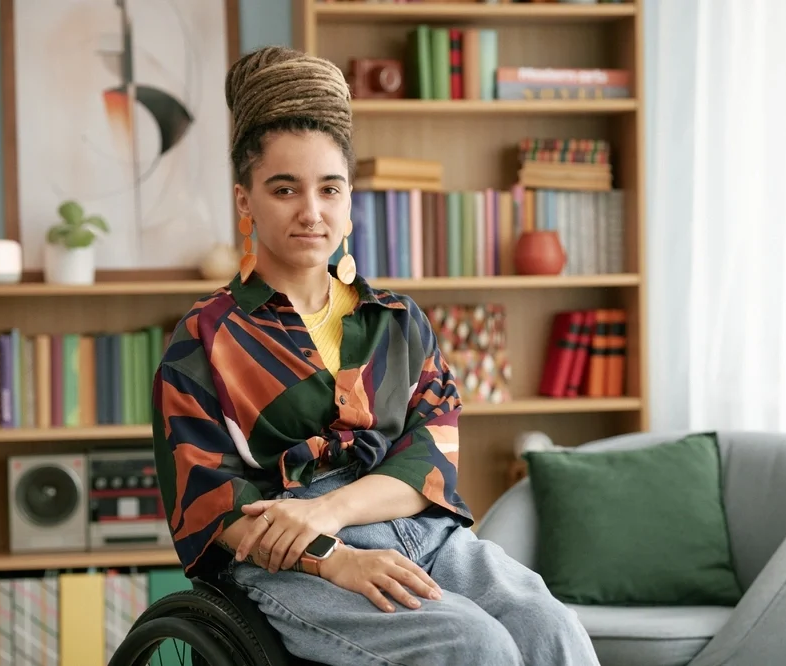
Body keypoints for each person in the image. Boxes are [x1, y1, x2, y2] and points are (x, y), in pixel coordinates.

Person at [151, 45, 600, 666]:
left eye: (329, 189)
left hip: (422, 532)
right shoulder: (205, 338)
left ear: (350, 201)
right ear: (245, 202)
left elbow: (432, 455)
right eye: (285, 189)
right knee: (473, 645)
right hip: (294, 562)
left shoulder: (396, 321)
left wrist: (333, 509)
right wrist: (333, 552)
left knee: (549, 624)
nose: (311, 212)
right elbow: (207, 505)